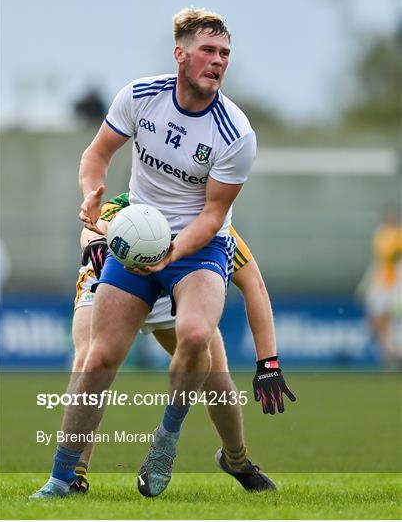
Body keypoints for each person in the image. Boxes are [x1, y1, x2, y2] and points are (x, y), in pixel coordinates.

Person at [31, 7, 292, 499]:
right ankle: (63, 477)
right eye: (208, 51)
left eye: (225, 54)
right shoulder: (139, 96)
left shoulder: (235, 134)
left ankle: (172, 441)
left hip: (195, 251)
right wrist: (91, 192)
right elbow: (96, 155)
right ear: (181, 55)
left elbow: (215, 217)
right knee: (97, 357)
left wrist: (268, 360)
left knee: (200, 341)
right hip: (134, 246)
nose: (218, 61)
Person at [69, 193, 296, 492]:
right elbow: (91, 226)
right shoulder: (128, 202)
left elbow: (254, 285)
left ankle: (236, 459)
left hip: (170, 290)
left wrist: (268, 363)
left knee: (216, 380)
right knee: (90, 362)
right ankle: (74, 474)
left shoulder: (207, 227)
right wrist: (95, 242)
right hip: (109, 278)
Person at [358, 209, 402, 367]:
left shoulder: (398, 236)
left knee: (387, 322)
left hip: (394, 287)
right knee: (376, 323)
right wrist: (367, 284)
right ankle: (391, 355)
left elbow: (397, 264)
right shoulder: (381, 235)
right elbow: (378, 263)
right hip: (381, 286)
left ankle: (393, 356)